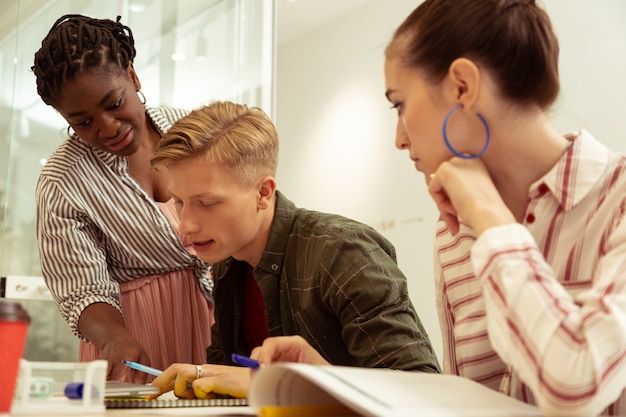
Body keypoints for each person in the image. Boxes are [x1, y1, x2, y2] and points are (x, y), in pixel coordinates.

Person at [250, 1, 626, 416]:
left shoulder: (614, 198)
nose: (399, 138)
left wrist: (491, 220)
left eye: (399, 104)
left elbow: (577, 385)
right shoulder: (454, 231)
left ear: (462, 85)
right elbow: (467, 404)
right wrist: (331, 385)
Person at [148, 100, 440, 399]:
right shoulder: (227, 265)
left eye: (207, 203)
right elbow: (228, 375)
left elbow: (420, 389)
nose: (185, 226)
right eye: (179, 203)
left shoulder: (343, 252)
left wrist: (275, 383)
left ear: (263, 192)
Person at [32, 14, 214, 382]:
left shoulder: (197, 131)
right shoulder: (62, 180)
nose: (107, 127)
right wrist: (115, 338)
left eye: (114, 103)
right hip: (134, 337)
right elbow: (81, 287)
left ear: (132, 76)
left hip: (222, 319)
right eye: (83, 122)